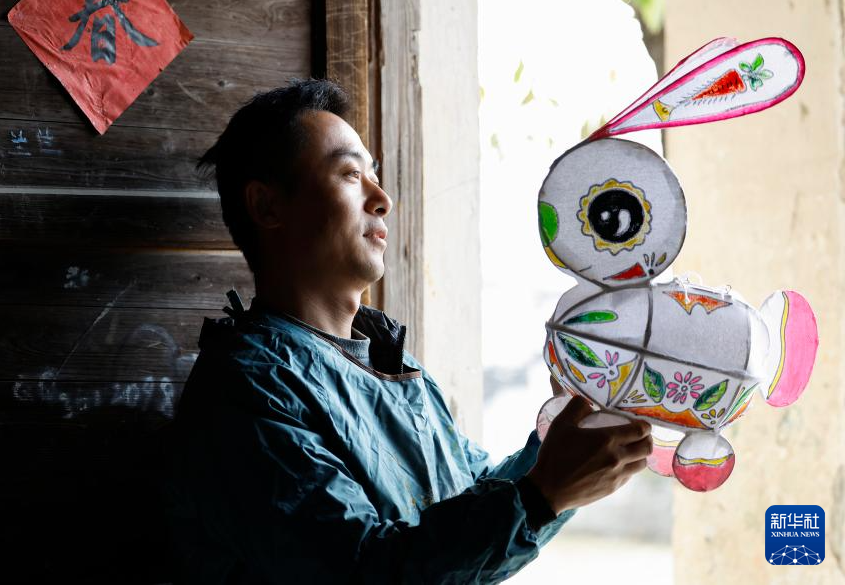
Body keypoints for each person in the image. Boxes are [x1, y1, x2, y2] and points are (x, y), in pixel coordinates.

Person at [162, 79, 653, 583]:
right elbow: (363, 570)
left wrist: (562, 443)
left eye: (375, 176)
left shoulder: (393, 366)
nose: (383, 200)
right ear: (267, 207)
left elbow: (471, 497)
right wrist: (542, 494)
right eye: (351, 174)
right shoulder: (246, 387)